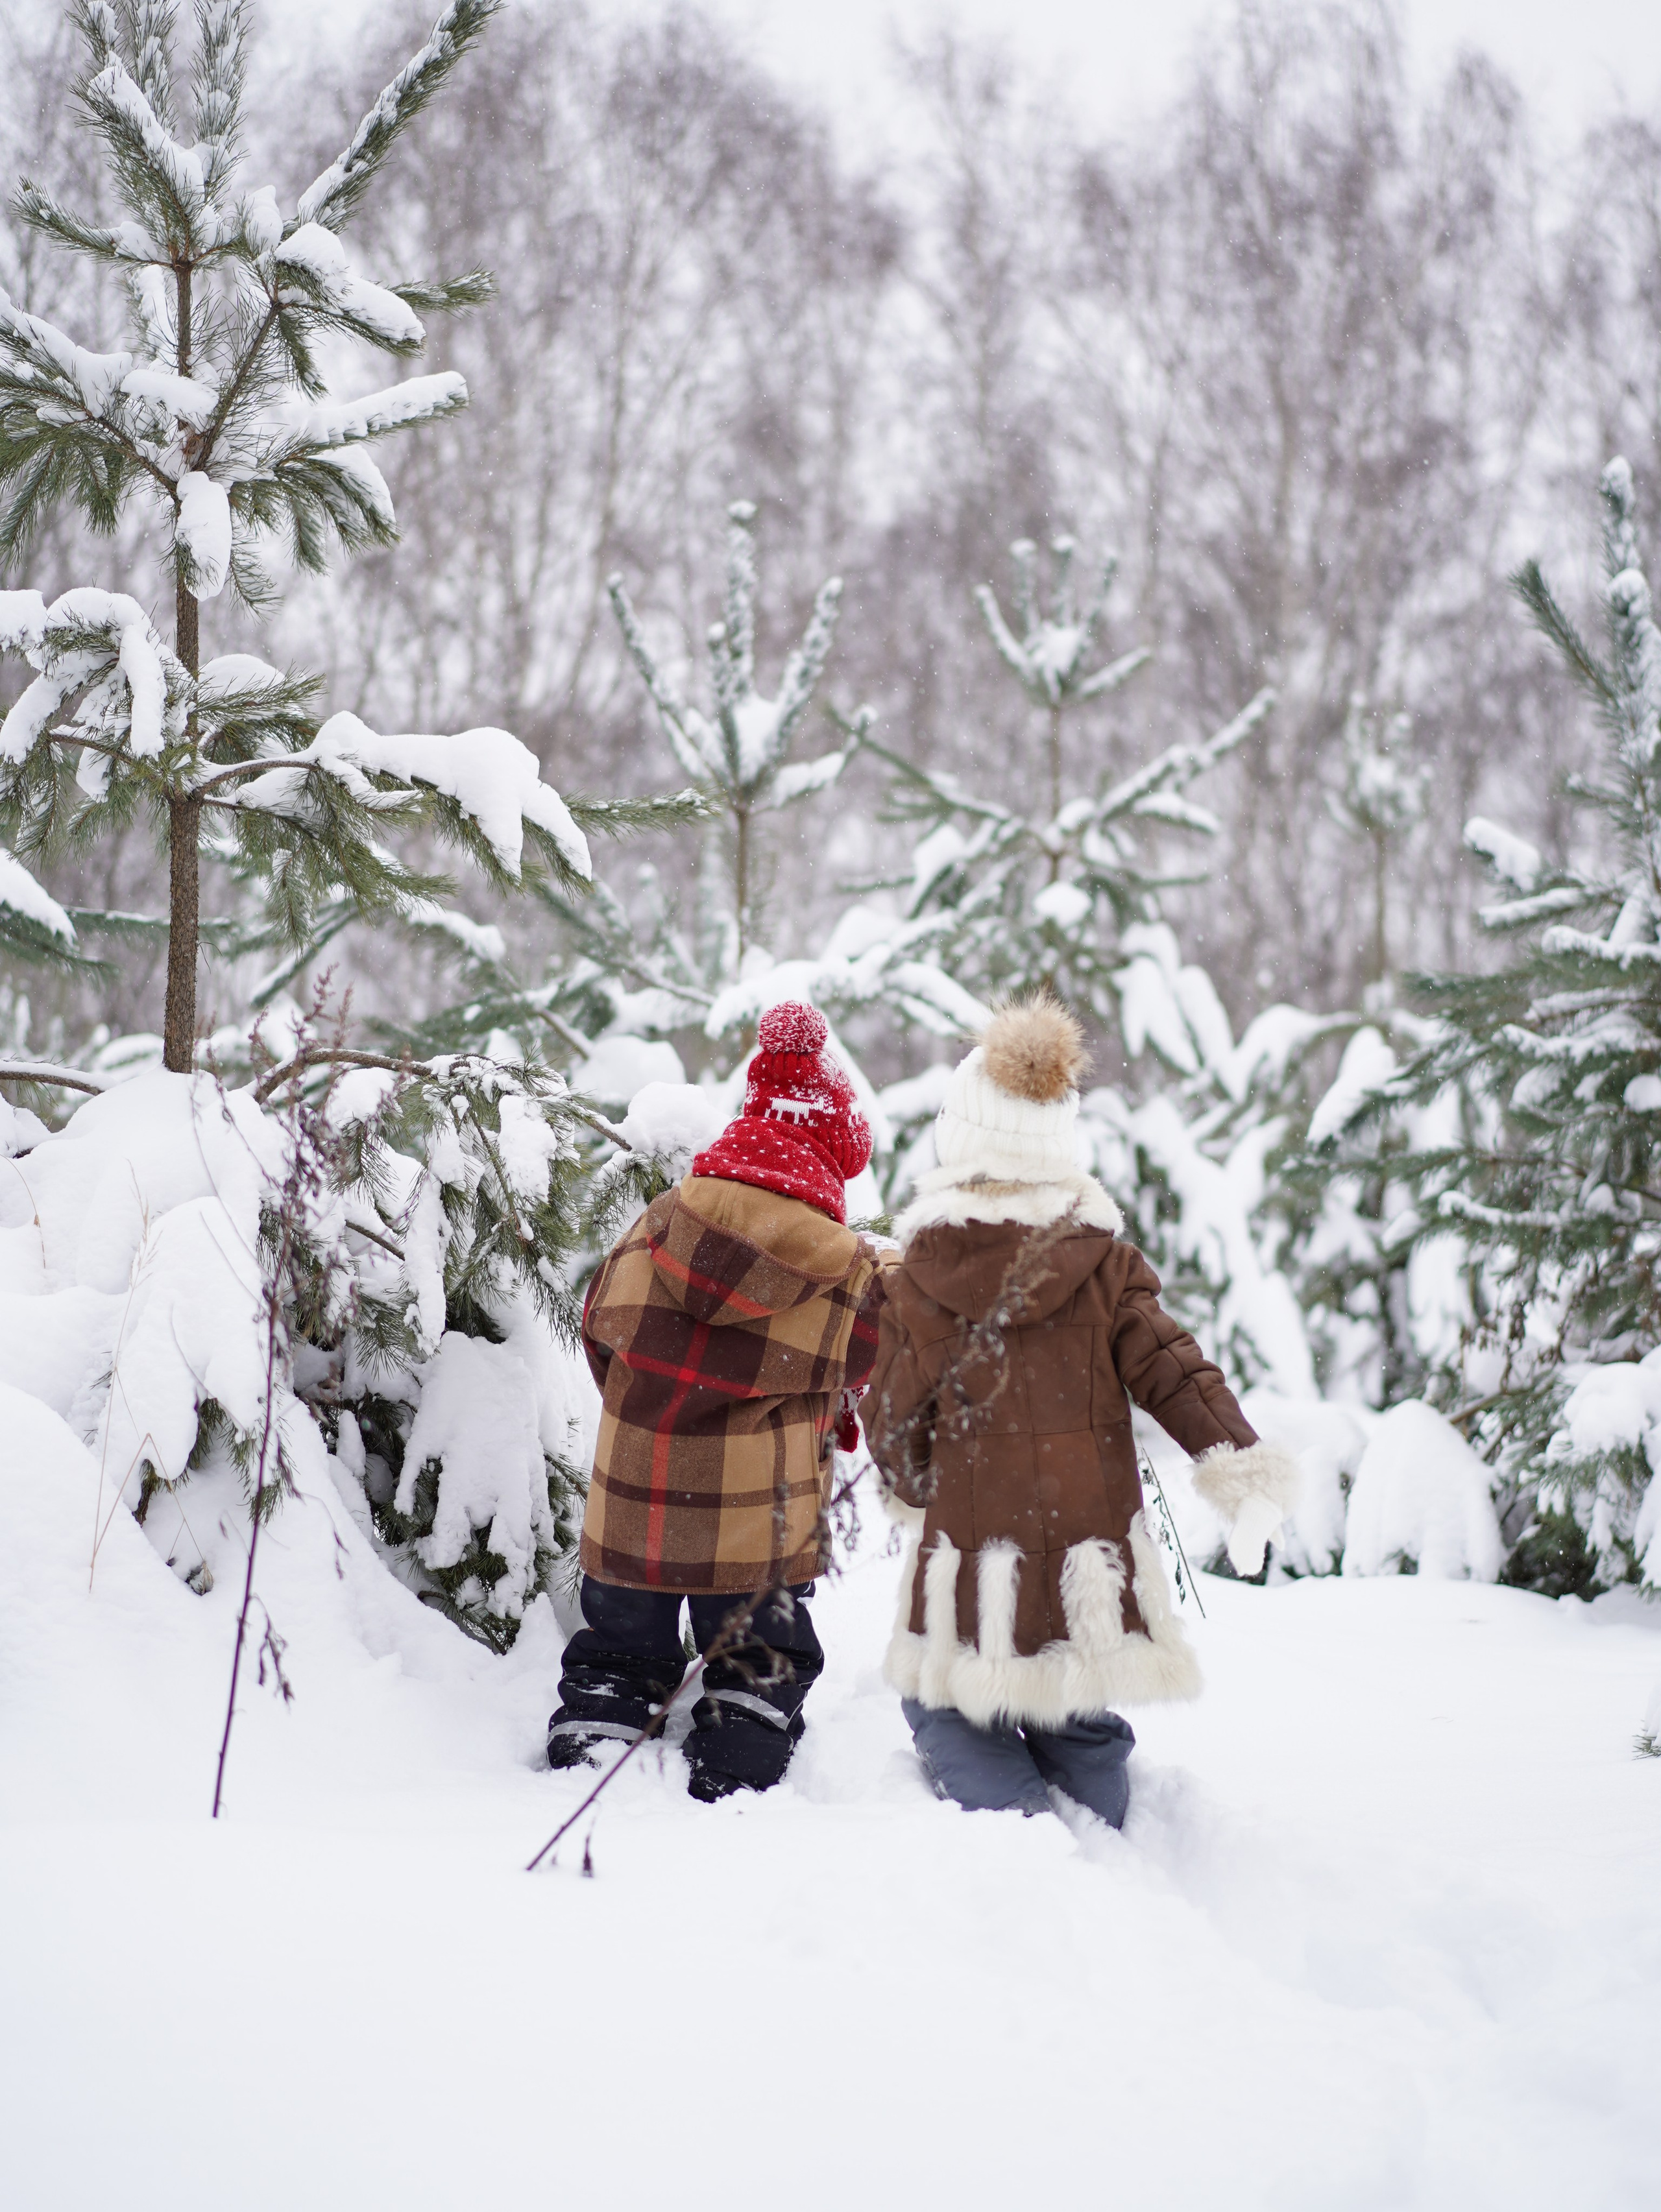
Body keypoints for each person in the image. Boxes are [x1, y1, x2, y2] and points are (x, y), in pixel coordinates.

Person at [864, 993, 1300, 1824]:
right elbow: (1176, 1372)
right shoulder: (1105, 1267)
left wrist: (916, 1486)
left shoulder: (919, 1276)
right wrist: (1243, 1471)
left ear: (959, 1141)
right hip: (1081, 1547)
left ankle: (1013, 1818)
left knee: (951, 1694)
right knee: (1079, 1716)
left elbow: (893, 1421)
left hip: (972, 1552)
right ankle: (1092, 1806)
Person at [548, 1002, 886, 1801]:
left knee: (619, 1636)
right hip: (756, 1521)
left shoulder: (659, 1222)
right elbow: (868, 1354)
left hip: (635, 1498)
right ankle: (742, 1728)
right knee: (760, 1645)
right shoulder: (842, 1267)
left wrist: (647, 1401)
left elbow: (600, 1324)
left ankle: (603, 1710)